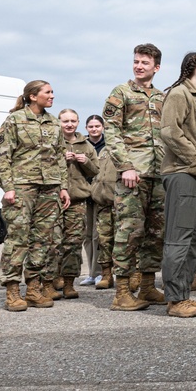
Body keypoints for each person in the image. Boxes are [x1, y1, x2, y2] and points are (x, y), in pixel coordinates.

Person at [0, 80, 71, 312]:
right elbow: (2, 156)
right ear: (32, 96)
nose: (52, 96)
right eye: (48, 92)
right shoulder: (14, 120)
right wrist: (8, 186)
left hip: (49, 188)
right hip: (22, 187)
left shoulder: (54, 123)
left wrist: (63, 187)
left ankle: (34, 289)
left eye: (52, 92)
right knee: (18, 240)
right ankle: (12, 291)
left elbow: (60, 157)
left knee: (43, 240)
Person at [103, 43, 166, 312]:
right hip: (133, 174)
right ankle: (122, 292)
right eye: (136, 61)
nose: (139, 66)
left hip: (159, 174)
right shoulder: (122, 92)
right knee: (129, 232)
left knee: (156, 233)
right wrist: (125, 165)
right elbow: (112, 131)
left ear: (156, 67)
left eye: (145, 63)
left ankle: (148, 286)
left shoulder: (163, 97)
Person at [160, 52, 196, 318]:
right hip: (183, 173)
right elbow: (170, 131)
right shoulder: (179, 94)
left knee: (195, 238)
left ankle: (183, 295)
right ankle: (174, 300)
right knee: (179, 238)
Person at [54, 109, 99, 299]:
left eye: (73, 121)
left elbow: (95, 170)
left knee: (73, 243)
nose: (69, 124)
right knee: (53, 242)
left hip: (77, 199)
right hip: (54, 199)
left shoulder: (86, 145)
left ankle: (69, 282)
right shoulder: (54, 142)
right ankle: (52, 279)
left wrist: (85, 161)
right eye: (65, 121)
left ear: (78, 122)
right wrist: (60, 159)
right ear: (59, 122)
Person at [88, 115, 119, 290]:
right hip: (103, 201)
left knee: (125, 241)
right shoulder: (104, 150)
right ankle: (106, 274)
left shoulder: (128, 148)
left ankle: (129, 274)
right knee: (104, 239)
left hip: (121, 201)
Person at [81, 114, 105, 286]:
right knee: (87, 235)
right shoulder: (82, 145)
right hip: (84, 192)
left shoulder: (110, 145)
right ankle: (90, 272)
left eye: (97, 126)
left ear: (102, 127)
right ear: (86, 128)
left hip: (102, 193)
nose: (94, 129)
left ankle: (100, 272)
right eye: (91, 126)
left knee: (99, 235)